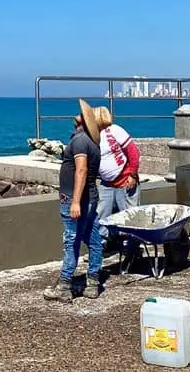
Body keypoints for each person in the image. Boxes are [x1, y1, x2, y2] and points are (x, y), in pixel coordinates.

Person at [42, 98, 103, 302]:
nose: (77, 114)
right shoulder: (94, 143)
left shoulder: (79, 140)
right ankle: (93, 281)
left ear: (84, 121)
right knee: (93, 239)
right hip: (91, 197)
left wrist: (75, 201)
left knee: (71, 239)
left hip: (76, 198)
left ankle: (65, 285)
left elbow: (82, 170)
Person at [92, 105, 141, 272]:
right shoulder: (95, 136)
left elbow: (133, 152)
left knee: (130, 218)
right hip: (107, 183)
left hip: (124, 180)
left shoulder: (116, 131)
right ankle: (98, 249)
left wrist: (132, 175)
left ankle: (133, 252)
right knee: (101, 216)